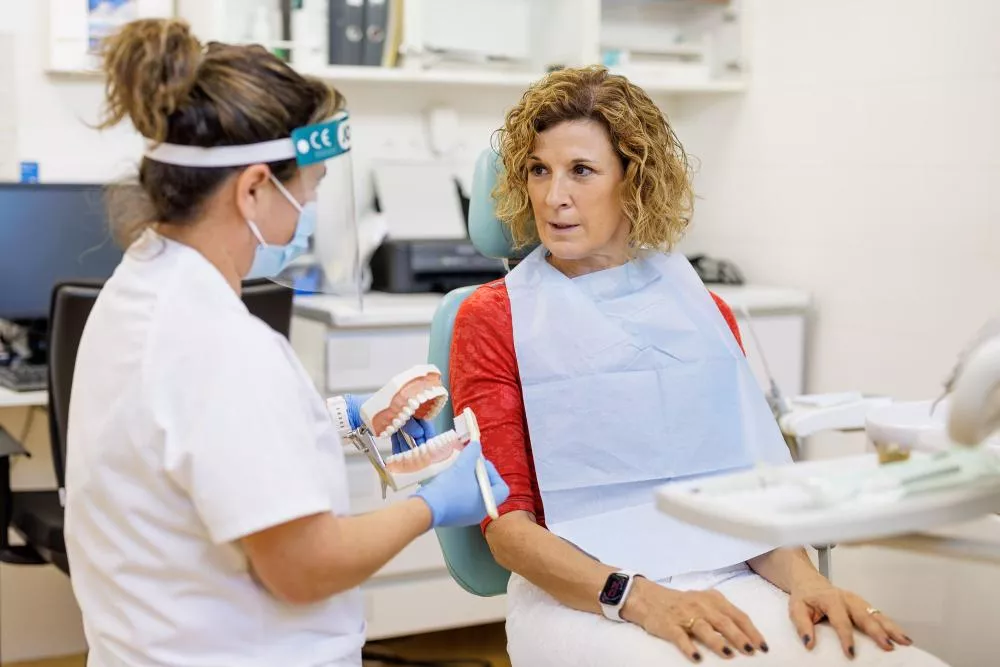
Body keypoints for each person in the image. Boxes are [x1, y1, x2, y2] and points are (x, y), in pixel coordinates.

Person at [449, 66, 948, 666]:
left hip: (733, 572)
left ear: (633, 181)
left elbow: (746, 495)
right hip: (588, 592)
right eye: (538, 170)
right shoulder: (494, 317)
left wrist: (809, 582)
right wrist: (643, 599)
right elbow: (509, 530)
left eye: (581, 170)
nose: (554, 196)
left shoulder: (700, 310)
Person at [63, 18, 507, 667]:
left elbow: (189, 448)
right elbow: (304, 568)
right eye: (311, 187)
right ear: (253, 189)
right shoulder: (220, 344)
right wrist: (434, 503)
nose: (312, 205)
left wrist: (336, 419)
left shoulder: (137, 286)